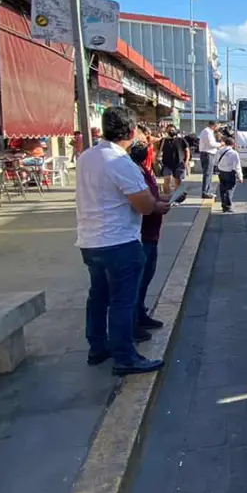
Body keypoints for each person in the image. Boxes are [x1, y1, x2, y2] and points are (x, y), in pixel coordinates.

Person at [75, 106, 168, 376]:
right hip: (119, 242)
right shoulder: (120, 162)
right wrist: (158, 206)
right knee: (122, 302)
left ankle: (97, 347)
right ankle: (125, 357)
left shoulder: (87, 156)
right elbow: (144, 205)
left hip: (90, 242)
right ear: (130, 131)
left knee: (98, 297)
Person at [128, 140, 170, 337]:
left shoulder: (144, 171)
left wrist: (166, 199)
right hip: (142, 234)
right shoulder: (133, 172)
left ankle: (141, 314)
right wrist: (156, 206)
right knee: (138, 281)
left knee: (146, 278)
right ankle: (134, 322)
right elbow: (143, 203)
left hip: (152, 232)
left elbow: (152, 195)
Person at [158, 125, 190, 196]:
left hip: (179, 163)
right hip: (166, 164)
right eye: (169, 130)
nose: (171, 131)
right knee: (167, 180)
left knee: (178, 182)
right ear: (166, 131)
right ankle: (167, 197)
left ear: (175, 130)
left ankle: (177, 197)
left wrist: (186, 161)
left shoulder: (181, 140)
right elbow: (159, 151)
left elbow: (187, 151)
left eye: (172, 130)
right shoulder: (163, 141)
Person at [215, 137, 243, 213]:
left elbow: (215, 161)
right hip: (230, 172)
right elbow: (237, 166)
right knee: (230, 189)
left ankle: (223, 205)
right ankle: (228, 206)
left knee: (223, 188)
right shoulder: (234, 153)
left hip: (221, 171)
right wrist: (240, 176)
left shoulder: (219, 151)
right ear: (233, 144)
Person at [197, 121, 222, 199]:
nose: (217, 128)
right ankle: (205, 192)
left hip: (208, 154)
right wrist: (220, 144)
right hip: (207, 154)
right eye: (217, 126)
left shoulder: (209, 132)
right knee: (208, 174)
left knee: (209, 173)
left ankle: (207, 191)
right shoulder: (207, 132)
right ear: (214, 125)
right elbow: (211, 144)